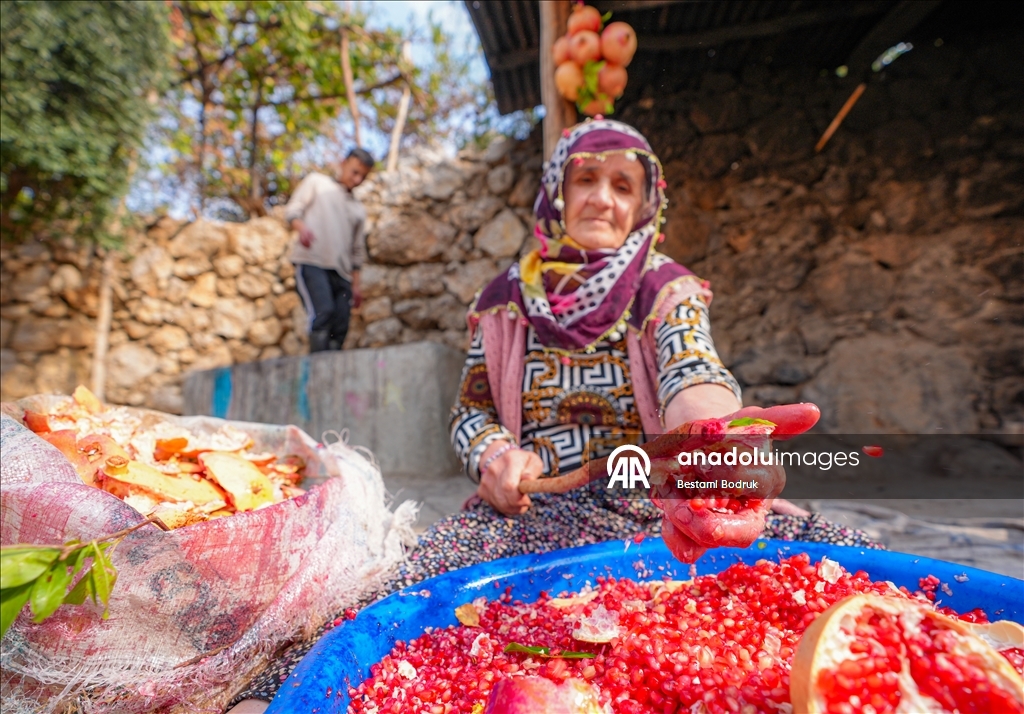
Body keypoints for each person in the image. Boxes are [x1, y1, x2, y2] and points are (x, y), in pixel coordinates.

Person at [226, 121, 875, 711]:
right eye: (584, 179)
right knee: (393, 595)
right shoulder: (503, 300)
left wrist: (709, 441)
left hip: (652, 508)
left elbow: (693, 371)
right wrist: (494, 456)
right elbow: (471, 410)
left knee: (845, 558)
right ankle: (267, 699)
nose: (602, 198)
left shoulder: (664, 288)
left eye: (623, 185)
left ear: (646, 204)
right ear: (555, 194)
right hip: (529, 514)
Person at [284, 148, 374, 353]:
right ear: (343, 163)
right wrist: (302, 229)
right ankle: (317, 372)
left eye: (363, 176)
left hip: (342, 274)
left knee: (340, 326)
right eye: (354, 172)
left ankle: (331, 375)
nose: (358, 179)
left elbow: (357, 251)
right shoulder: (317, 183)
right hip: (313, 262)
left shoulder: (358, 209)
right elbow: (292, 211)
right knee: (323, 313)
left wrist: (356, 285)